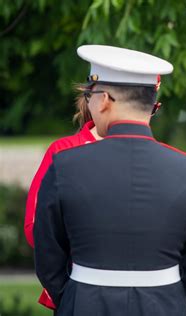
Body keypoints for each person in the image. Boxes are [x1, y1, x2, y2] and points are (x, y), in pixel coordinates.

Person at [33, 45, 186, 315]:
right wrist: (175, 300)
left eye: (90, 95)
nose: (89, 102)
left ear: (105, 99)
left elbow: (48, 253)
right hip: (166, 305)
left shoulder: (65, 165)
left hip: (86, 303)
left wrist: (73, 298)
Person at [24, 90, 101, 309]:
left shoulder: (157, 155)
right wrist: (67, 295)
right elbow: (36, 228)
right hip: (80, 290)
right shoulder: (64, 151)